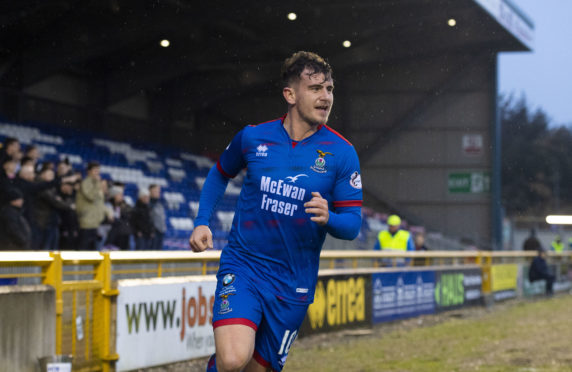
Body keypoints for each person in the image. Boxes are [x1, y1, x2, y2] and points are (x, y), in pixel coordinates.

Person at [189, 51, 362, 372]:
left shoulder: (342, 153)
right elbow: (219, 173)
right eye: (316, 89)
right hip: (245, 267)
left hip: (294, 283)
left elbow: (352, 225)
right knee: (232, 359)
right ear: (290, 94)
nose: (326, 97)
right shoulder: (253, 137)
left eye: (330, 89)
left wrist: (330, 218)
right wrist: (202, 222)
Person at [76, 161, 106, 250]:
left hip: (94, 222)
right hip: (87, 221)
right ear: (89, 171)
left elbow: (100, 202)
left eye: (98, 170)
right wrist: (98, 185)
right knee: (84, 247)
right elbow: (91, 196)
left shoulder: (95, 183)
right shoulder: (86, 182)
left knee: (91, 249)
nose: (97, 173)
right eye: (95, 170)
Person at [104, 185, 132, 250]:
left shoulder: (124, 205)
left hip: (123, 235)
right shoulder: (108, 205)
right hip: (110, 236)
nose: (122, 197)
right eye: (119, 195)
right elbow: (111, 220)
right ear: (114, 195)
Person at [149, 184, 166, 250]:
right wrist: (152, 230)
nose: (158, 193)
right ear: (150, 191)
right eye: (155, 191)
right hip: (153, 232)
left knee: (159, 251)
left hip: (161, 231)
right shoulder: (149, 204)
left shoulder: (159, 204)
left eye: (158, 191)